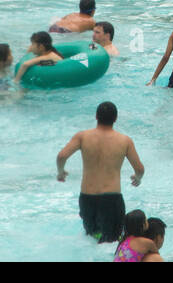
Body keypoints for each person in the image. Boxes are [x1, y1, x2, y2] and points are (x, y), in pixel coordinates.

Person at [57, 101, 144, 243]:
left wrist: (61, 172)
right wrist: (137, 178)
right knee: (112, 243)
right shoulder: (125, 140)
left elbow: (61, 156)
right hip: (112, 198)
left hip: (87, 198)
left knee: (92, 240)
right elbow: (139, 169)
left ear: (96, 116)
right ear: (115, 119)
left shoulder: (82, 137)